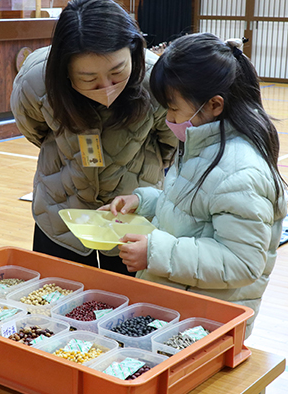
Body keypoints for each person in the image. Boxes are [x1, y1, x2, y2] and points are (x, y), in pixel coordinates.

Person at [102, 33, 288, 337]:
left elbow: (242, 262)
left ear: (214, 105)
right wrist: (146, 202)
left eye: (173, 109)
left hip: (206, 325)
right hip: (179, 309)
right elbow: (193, 208)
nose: (169, 118)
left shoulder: (240, 171)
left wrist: (155, 252)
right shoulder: (202, 140)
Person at [10, 0, 177, 276]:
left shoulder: (154, 79)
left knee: (130, 307)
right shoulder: (36, 80)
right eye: (89, 79)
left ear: (134, 52)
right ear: (65, 71)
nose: (107, 88)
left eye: (117, 72)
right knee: (58, 302)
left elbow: (169, 144)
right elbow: (35, 130)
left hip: (131, 218)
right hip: (60, 211)